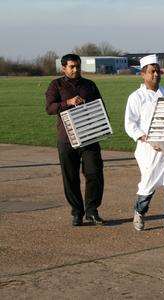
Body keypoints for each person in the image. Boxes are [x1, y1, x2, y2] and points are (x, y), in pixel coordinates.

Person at [124, 54, 164, 238]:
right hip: (148, 152)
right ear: (143, 74)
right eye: (151, 72)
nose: (156, 75)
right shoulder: (136, 97)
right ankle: (139, 212)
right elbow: (130, 124)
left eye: (157, 71)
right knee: (147, 189)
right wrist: (146, 138)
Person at [45, 53, 105, 226]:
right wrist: (68, 102)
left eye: (78, 66)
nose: (76, 69)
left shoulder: (90, 84)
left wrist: (102, 127)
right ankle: (77, 212)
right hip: (66, 138)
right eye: (72, 66)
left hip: (89, 136)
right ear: (63, 68)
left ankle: (92, 211)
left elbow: (100, 106)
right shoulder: (56, 85)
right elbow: (49, 108)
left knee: (95, 174)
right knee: (70, 177)